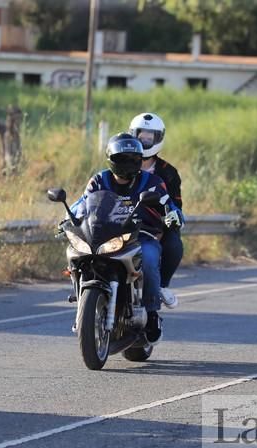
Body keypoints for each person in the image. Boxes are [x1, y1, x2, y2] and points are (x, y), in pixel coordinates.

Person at [70, 133, 181, 343]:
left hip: (142, 235)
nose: (128, 164)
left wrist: (174, 215)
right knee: (76, 254)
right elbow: (82, 203)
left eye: (133, 159)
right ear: (111, 160)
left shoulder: (153, 182)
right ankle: (82, 301)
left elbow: (170, 205)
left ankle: (152, 313)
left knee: (148, 258)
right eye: (122, 159)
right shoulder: (99, 180)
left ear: (140, 160)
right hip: (104, 234)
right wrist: (68, 218)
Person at [128, 112, 184, 309]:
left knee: (174, 243)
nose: (145, 140)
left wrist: (173, 216)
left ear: (159, 138)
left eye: (150, 137)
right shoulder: (122, 163)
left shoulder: (168, 172)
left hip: (155, 225)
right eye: (142, 135)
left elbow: (177, 204)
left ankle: (162, 285)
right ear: (132, 135)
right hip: (121, 221)